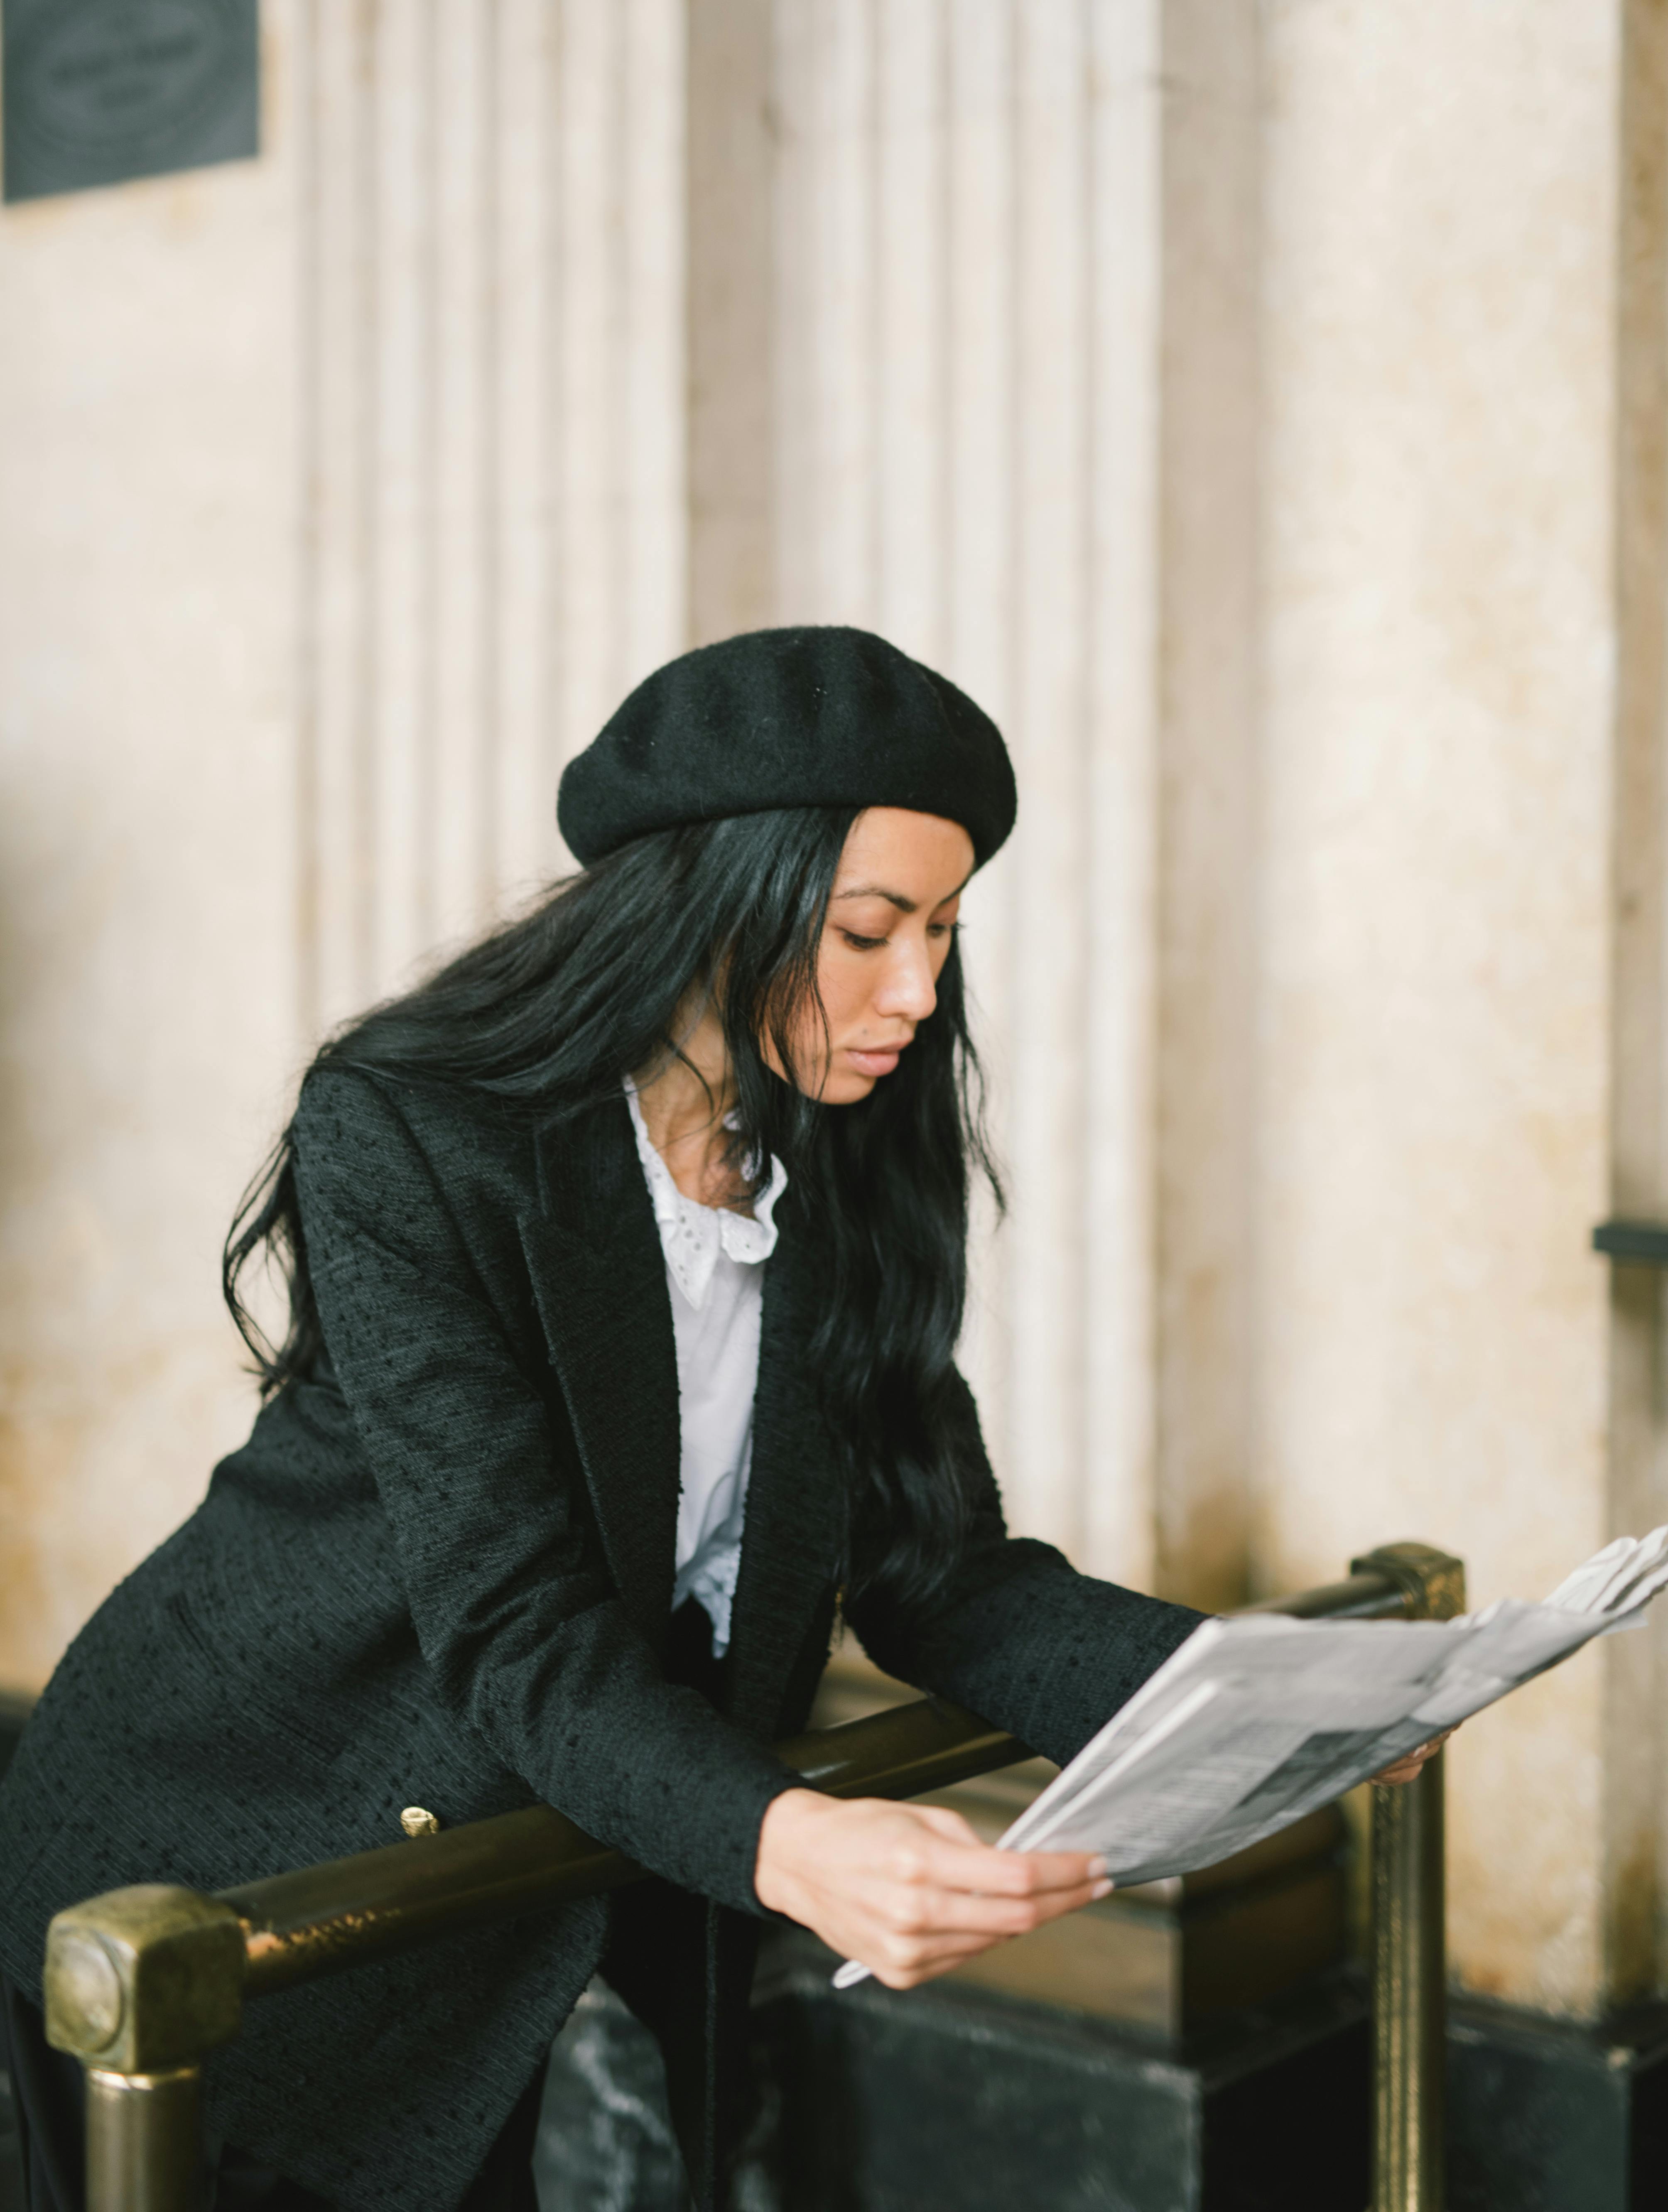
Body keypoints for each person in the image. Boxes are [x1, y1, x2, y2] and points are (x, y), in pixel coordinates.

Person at [0, 627, 1438, 2212]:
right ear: (710, 902)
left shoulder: (833, 1141)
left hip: (557, 1857)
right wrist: (799, 1842)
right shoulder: (420, 1127)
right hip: (254, 1838)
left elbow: (934, 1568)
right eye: (869, 930)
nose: (919, 991)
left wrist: (1257, 1694)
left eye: (947, 932)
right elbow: (516, 1629)